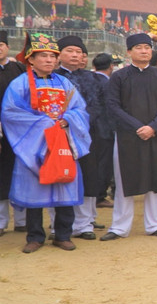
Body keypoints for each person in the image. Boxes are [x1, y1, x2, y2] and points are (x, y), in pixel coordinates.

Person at [2, 33, 90, 253]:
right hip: (34, 146)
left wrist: (67, 120)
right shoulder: (19, 84)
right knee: (35, 190)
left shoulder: (65, 83)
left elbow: (79, 110)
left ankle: (62, 234)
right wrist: (43, 124)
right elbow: (11, 113)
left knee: (65, 185)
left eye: (53, 56)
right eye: (43, 56)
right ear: (31, 59)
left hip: (61, 142)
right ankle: (35, 236)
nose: (50, 60)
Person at [101, 34, 157, 241]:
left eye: (147, 47)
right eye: (139, 47)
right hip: (127, 136)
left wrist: (153, 127)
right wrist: (138, 127)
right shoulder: (119, 76)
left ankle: (154, 224)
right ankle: (120, 227)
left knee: (156, 178)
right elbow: (113, 105)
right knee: (125, 179)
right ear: (129, 52)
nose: (144, 51)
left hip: (156, 134)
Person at [55, 36, 107, 240]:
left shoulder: (92, 78)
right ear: (59, 54)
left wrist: (79, 122)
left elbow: (97, 106)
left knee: (88, 179)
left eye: (79, 52)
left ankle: (85, 224)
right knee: (60, 177)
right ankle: (57, 225)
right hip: (58, 134)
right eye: (70, 51)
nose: (75, 55)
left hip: (87, 135)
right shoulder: (51, 77)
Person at [0, 30, 27, 234]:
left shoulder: (19, 69)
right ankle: (1, 221)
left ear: (7, 47)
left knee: (21, 173)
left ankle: (22, 220)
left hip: (19, 130)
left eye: (2, 44)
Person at [90, 52, 116, 208]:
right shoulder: (109, 84)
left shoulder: (88, 80)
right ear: (111, 66)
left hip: (91, 129)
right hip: (105, 129)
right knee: (104, 164)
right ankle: (99, 195)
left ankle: (96, 194)